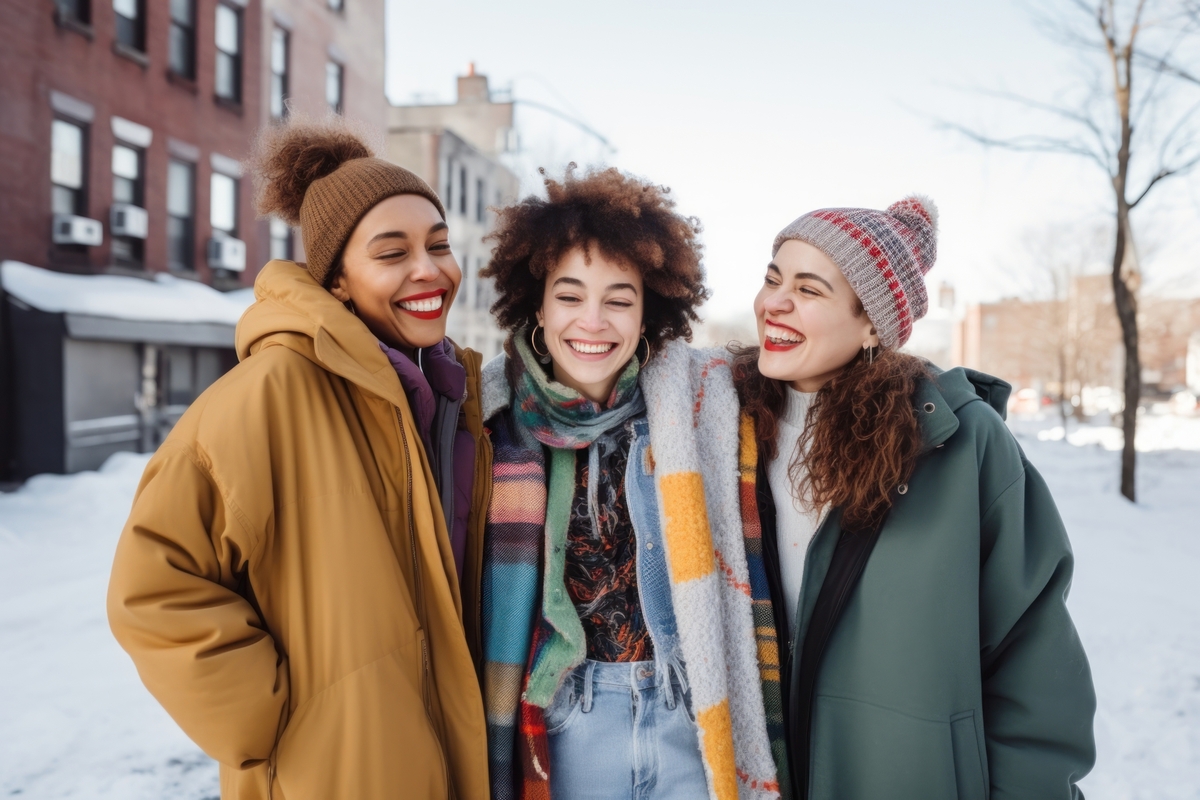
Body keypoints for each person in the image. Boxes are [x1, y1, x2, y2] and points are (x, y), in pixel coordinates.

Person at [106, 119, 492, 799]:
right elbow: (153, 590)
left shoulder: (452, 393)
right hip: (333, 772)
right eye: (391, 252)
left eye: (438, 245)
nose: (428, 269)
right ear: (337, 279)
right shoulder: (267, 395)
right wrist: (277, 719)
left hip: (449, 755)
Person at [731, 196, 1097, 800]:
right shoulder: (721, 425)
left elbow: (1032, 657)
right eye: (772, 278)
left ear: (872, 322)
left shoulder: (956, 444)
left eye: (809, 289)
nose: (774, 302)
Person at [478, 165, 784, 800]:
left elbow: (815, 377)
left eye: (618, 300)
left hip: (687, 713)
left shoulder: (702, 403)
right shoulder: (487, 422)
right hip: (566, 719)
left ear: (648, 314)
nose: (593, 321)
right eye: (569, 296)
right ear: (537, 303)